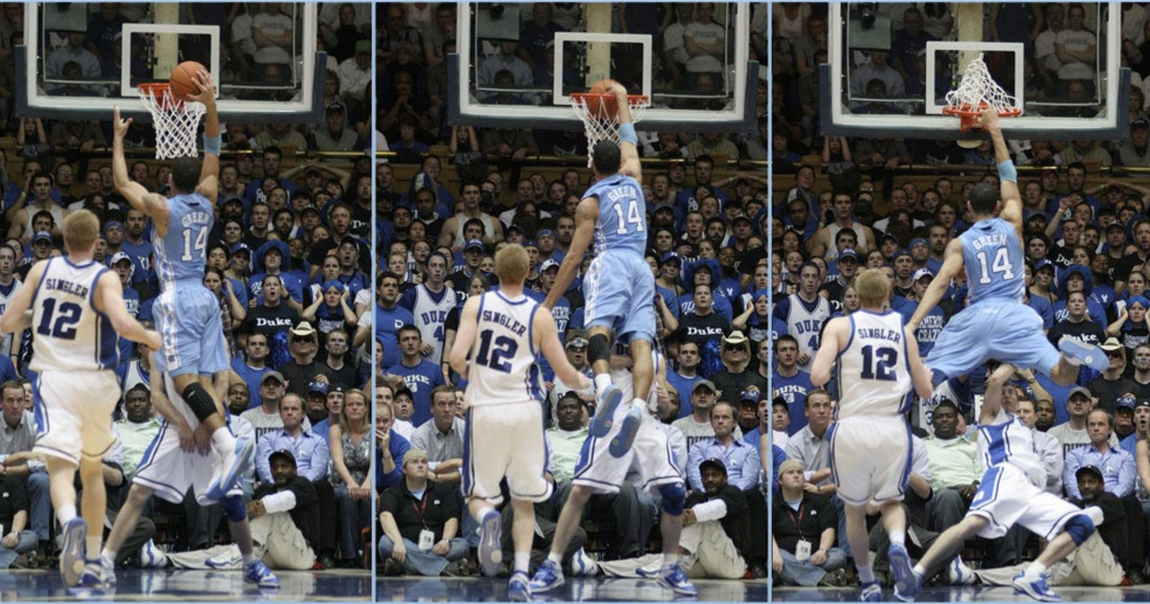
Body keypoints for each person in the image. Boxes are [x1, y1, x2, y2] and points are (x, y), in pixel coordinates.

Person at [111, 70, 254, 501]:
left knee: (186, 377)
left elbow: (120, 183)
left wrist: (118, 139)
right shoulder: (209, 195)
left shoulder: (161, 208)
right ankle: (220, 449)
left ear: (170, 180)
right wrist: (209, 103)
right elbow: (213, 146)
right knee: (213, 378)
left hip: (177, 298)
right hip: (208, 296)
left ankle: (228, 447)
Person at [0, 210, 160, 587]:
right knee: (91, 469)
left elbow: (9, 321)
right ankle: (90, 551)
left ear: (63, 240)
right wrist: (150, 338)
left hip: (53, 378)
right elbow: (123, 325)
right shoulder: (104, 276)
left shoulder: (40, 272)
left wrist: (33, 316)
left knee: (59, 468)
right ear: (95, 244)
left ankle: (69, 519)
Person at [907, 109, 1109, 385]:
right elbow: (1008, 174)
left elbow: (941, 283)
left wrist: (913, 323)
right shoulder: (1013, 220)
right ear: (999, 206)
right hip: (1016, 315)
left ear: (968, 208)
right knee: (1061, 377)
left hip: (978, 316)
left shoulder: (960, 242)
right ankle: (1071, 356)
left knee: (929, 378)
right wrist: (995, 129)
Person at [449, 243, 592, 600]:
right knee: (525, 501)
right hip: (526, 412)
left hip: (486, 408)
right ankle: (520, 577)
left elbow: (454, 359)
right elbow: (565, 373)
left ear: (495, 271)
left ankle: (488, 521)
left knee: (479, 495)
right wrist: (590, 384)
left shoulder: (476, 305)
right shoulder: (540, 314)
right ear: (528, 274)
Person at [904, 363, 1104, 602]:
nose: (1008, 395)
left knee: (1085, 521)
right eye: (1004, 394)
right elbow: (998, 379)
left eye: (1023, 408)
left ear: (1030, 415)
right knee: (966, 527)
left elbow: (1044, 399)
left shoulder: (1029, 434)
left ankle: (1032, 573)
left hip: (1028, 492)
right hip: (1002, 480)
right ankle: (918, 572)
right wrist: (1018, 356)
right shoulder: (991, 421)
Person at [542, 80, 658, 459]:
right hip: (642, 266)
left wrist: (547, 304)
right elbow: (629, 137)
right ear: (620, 163)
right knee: (642, 341)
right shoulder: (635, 178)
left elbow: (573, 260)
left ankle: (606, 389)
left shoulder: (589, 202)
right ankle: (638, 408)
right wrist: (622, 98)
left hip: (610, 264)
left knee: (598, 329)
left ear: (592, 164)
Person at [530, 340, 696, 597]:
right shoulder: (607, 355)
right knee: (577, 490)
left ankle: (651, 560)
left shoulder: (656, 361)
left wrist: (663, 401)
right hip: (610, 431)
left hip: (642, 432)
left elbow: (665, 410)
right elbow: (592, 349)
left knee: (668, 491)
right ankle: (561, 559)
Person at [810, 268, 933, 602]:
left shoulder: (839, 325)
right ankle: (896, 545)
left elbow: (817, 375)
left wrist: (838, 363)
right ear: (887, 296)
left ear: (856, 297)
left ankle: (869, 583)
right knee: (892, 500)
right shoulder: (903, 330)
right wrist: (925, 374)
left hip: (851, 426)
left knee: (854, 509)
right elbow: (925, 390)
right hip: (892, 426)